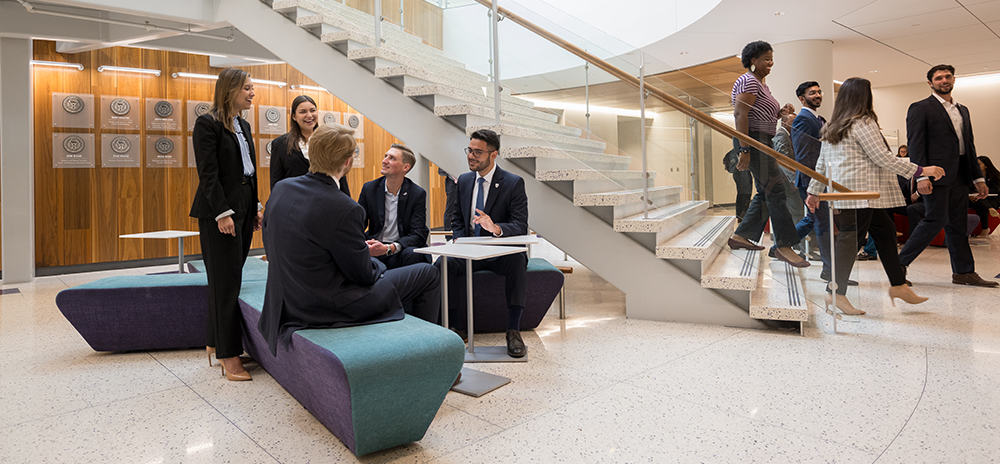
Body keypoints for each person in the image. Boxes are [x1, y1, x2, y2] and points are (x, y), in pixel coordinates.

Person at [258, 124, 441, 356]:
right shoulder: (344, 207)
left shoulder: (281, 189)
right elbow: (363, 274)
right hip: (327, 305)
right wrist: (375, 261)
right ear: (347, 162)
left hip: (287, 297)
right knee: (428, 273)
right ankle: (432, 352)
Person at [806, 77, 945, 314]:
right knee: (851, 242)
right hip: (862, 194)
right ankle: (835, 294)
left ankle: (898, 284)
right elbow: (882, 158)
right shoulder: (863, 122)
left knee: (886, 232)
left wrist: (813, 191)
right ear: (865, 97)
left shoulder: (833, 126)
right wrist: (921, 170)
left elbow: (821, 162)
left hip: (853, 193)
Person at [190, 68, 262, 381]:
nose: (252, 93)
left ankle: (215, 341)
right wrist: (222, 212)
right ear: (230, 89)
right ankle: (228, 355)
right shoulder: (207, 124)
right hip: (221, 213)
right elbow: (208, 174)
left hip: (245, 207)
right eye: (246, 88)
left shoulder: (243, 124)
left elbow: (249, 171)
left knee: (229, 279)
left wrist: (256, 205)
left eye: (252, 88)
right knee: (226, 283)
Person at [896, 64, 998, 287]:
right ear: (930, 83)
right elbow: (915, 145)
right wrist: (921, 176)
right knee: (935, 219)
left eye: (948, 76)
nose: (944, 80)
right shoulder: (920, 108)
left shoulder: (963, 110)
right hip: (935, 175)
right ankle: (898, 266)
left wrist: (978, 179)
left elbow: (968, 146)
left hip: (960, 176)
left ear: (953, 79)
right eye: (939, 77)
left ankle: (963, 272)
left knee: (957, 225)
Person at [442, 129, 529, 358]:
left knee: (518, 260)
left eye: (478, 152)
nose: (471, 156)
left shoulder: (513, 183)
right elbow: (458, 219)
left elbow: (520, 225)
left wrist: (497, 229)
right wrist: (458, 240)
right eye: (469, 150)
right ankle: (458, 325)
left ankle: (513, 330)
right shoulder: (463, 181)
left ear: (493, 155)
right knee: (443, 264)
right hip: (470, 249)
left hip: (499, 252)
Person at [727, 41, 808, 268]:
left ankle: (740, 236)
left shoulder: (761, 84)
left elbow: (757, 113)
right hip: (752, 140)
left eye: (772, 59)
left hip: (762, 140)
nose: (771, 63)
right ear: (753, 60)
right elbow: (740, 115)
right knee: (776, 190)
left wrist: (780, 112)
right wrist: (744, 149)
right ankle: (784, 246)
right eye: (766, 59)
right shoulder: (748, 81)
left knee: (765, 192)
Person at [358, 144, 431, 268]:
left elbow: (418, 233)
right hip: (375, 245)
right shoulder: (369, 189)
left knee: (413, 254)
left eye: (392, 158)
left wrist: (389, 248)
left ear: (405, 167)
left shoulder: (417, 194)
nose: (384, 160)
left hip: (400, 249)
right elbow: (358, 224)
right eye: (385, 156)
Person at [269, 95, 351, 197]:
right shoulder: (280, 144)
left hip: (327, 201)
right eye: (303, 112)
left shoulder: (329, 141)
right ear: (294, 116)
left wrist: (347, 202)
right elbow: (276, 182)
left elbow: (341, 176)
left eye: (312, 110)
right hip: (296, 202)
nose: (309, 115)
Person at [970, 156, 1000, 237]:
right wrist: (971, 196)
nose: (976, 166)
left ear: (986, 166)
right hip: (977, 199)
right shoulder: (972, 176)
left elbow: (996, 190)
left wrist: (982, 192)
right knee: (978, 201)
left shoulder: (995, 176)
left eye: (979, 164)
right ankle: (989, 208)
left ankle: (985, 229)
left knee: (980, 202)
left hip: (992, 199)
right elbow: (969, 189)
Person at [723, 148, 753, 221]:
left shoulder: (737, 148)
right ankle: (742, 215)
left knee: (742, 193)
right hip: (741, 170)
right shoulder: (742, 148)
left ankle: (741, 215)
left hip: (739, 171)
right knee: (745, 193)